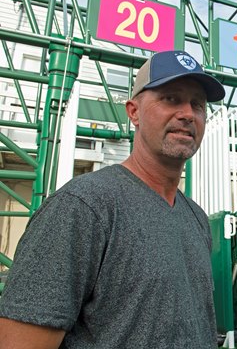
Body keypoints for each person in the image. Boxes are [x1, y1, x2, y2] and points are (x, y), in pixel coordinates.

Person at [0, 50, 225, 348]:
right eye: (171, 98)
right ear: (133, 112)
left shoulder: (196, 218)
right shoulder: (82, 206)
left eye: (197, 104)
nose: (187, 113)